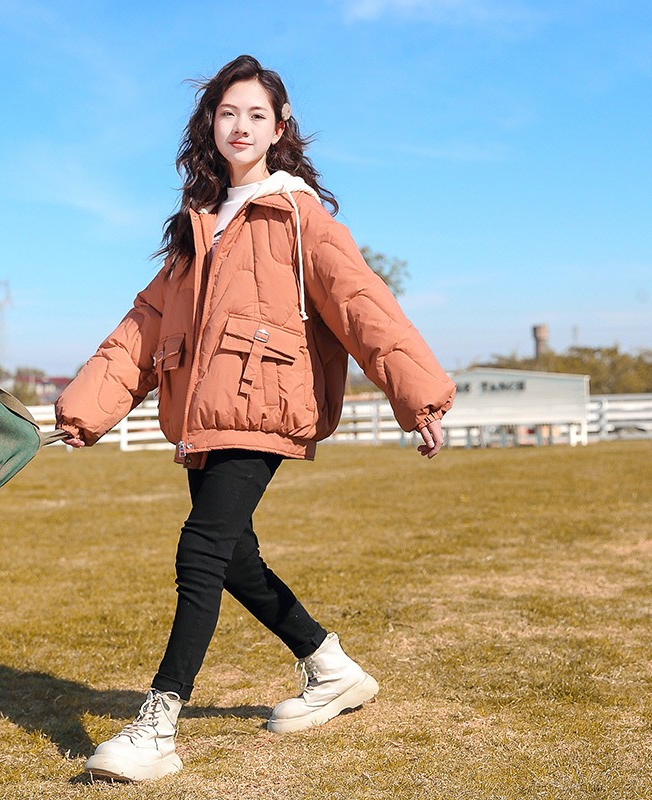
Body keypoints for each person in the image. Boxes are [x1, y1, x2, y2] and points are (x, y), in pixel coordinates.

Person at [55, 54, 456, 783]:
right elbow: (143, 327)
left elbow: (362, 303)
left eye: (256, 115)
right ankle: (329, 667)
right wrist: (84, 410)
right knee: (233, 555)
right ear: (210, 124)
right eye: (227, 113)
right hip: (204, 411)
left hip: (264, 403)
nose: (240, 126)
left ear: (280, 126)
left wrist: (417, 394)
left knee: (200, 550)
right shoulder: (198, 225)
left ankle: (158, 727)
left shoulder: (297, 213)